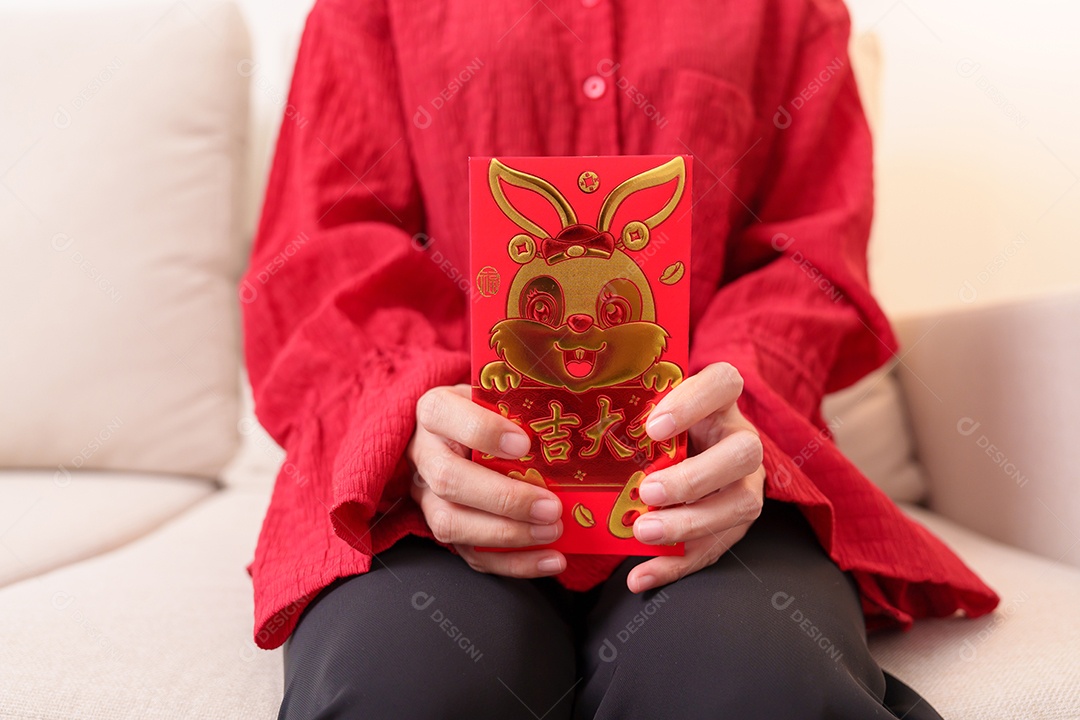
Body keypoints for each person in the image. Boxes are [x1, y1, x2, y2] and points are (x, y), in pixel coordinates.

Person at [240, 0, 1000, 717]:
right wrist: (412, 424)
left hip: (709, 479)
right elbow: (323, 256)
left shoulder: (788, 11)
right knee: (403, 690)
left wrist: (726, 406)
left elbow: (809, 254)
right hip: (424, 489)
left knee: (763, 686)